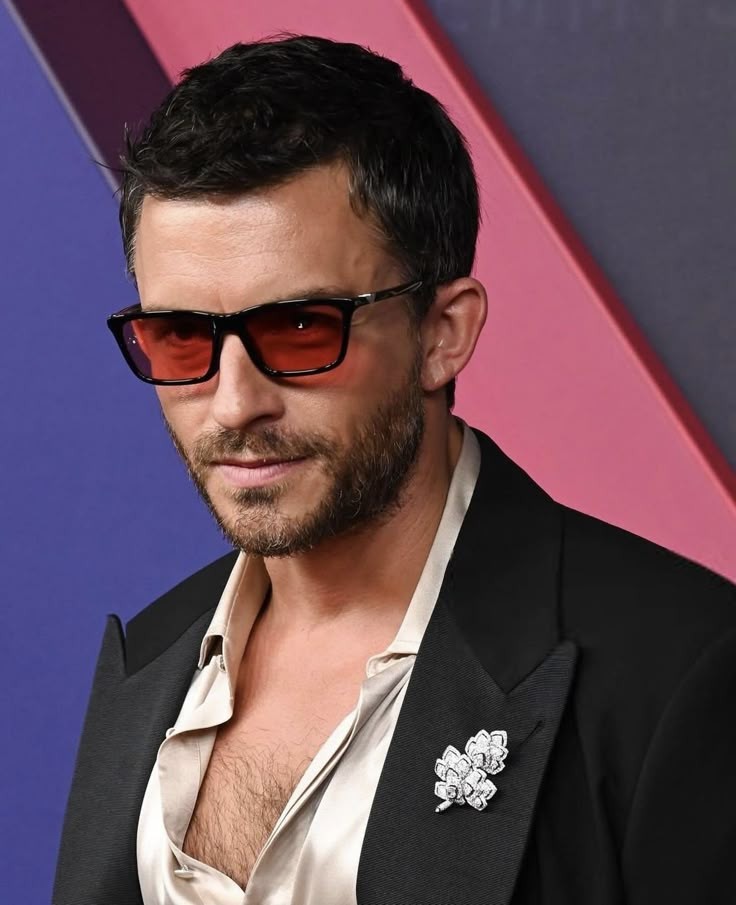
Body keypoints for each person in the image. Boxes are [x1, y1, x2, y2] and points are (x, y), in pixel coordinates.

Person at [54, 34, 736, 905]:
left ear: (443, 333)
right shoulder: (149, 660)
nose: (233, 405)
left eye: (300, 328)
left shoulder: (678, 672)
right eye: (182, 337)